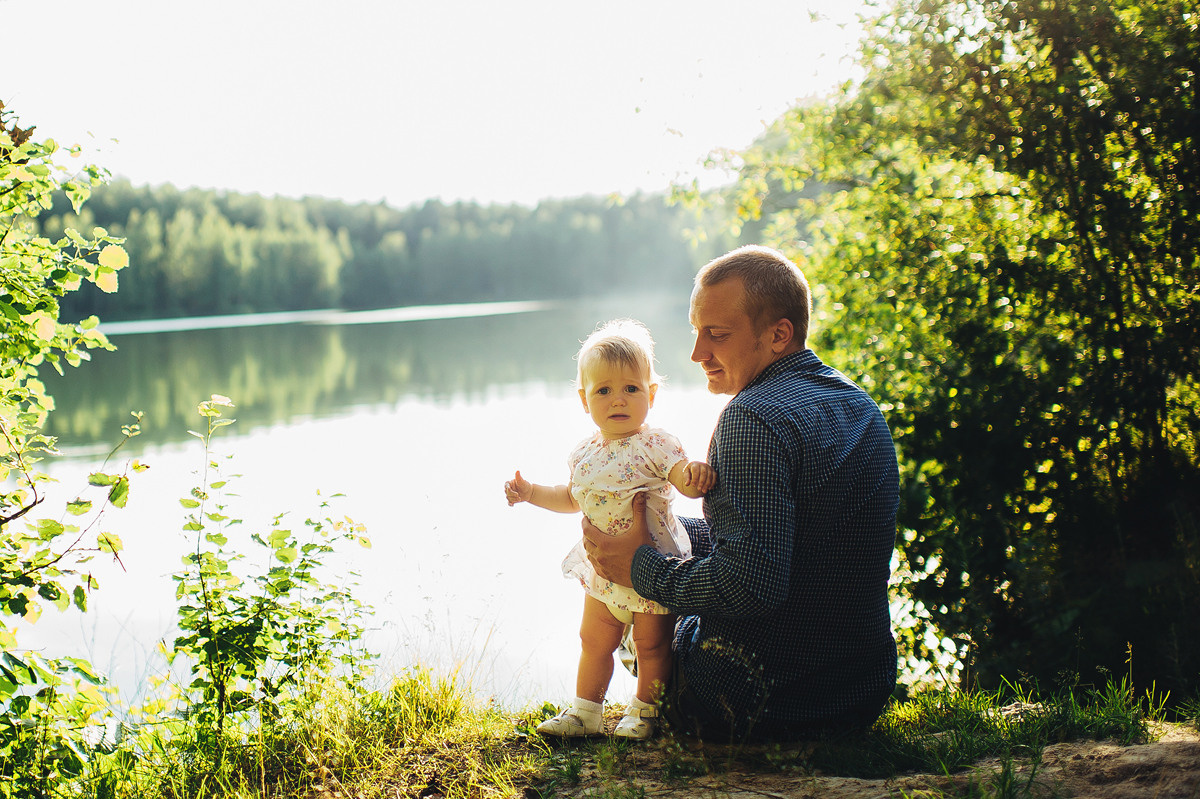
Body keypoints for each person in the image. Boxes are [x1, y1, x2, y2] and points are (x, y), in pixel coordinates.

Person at [582, 246, 900, 741]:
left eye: (718, 335)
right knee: (651, 529)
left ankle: (622, 696)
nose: (697, 354)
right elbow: (790, 541)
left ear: (778, 335)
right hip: (859, 693)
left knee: (638, 585)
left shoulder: (751, 419)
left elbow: (751, 584)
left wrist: (639, 566)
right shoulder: (860, 406)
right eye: (696, 330)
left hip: (755, 700)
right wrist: (648, 534)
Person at [505, 319, 716, 739]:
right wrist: (530, 493)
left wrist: (694, 474)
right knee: (593, 639)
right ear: (584, 399)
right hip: (601, 571)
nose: (618, 400)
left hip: (652, 566)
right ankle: (586, 712)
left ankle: (645, 711)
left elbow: (682, 481)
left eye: (631, 389)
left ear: (651, 394)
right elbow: (571, 497)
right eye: (603, 390)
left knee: (652, 646)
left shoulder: (657, 445)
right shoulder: (585, 452)